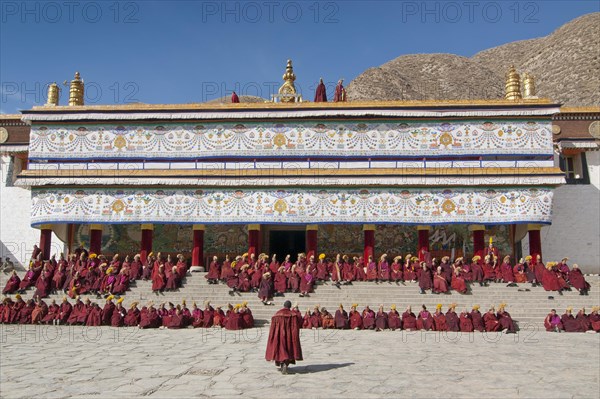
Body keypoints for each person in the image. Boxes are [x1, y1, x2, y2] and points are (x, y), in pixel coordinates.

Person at [265, 300, 303, 375]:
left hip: (279, 335)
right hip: (289, 336)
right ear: (290, 306)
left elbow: (273, 327)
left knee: (280, 349)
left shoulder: (277, 314)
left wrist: (273, 336)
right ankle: (285, 364)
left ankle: (283, 363)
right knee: (288, 348)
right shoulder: (293, 315)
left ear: (284, 305)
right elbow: (297, 325)